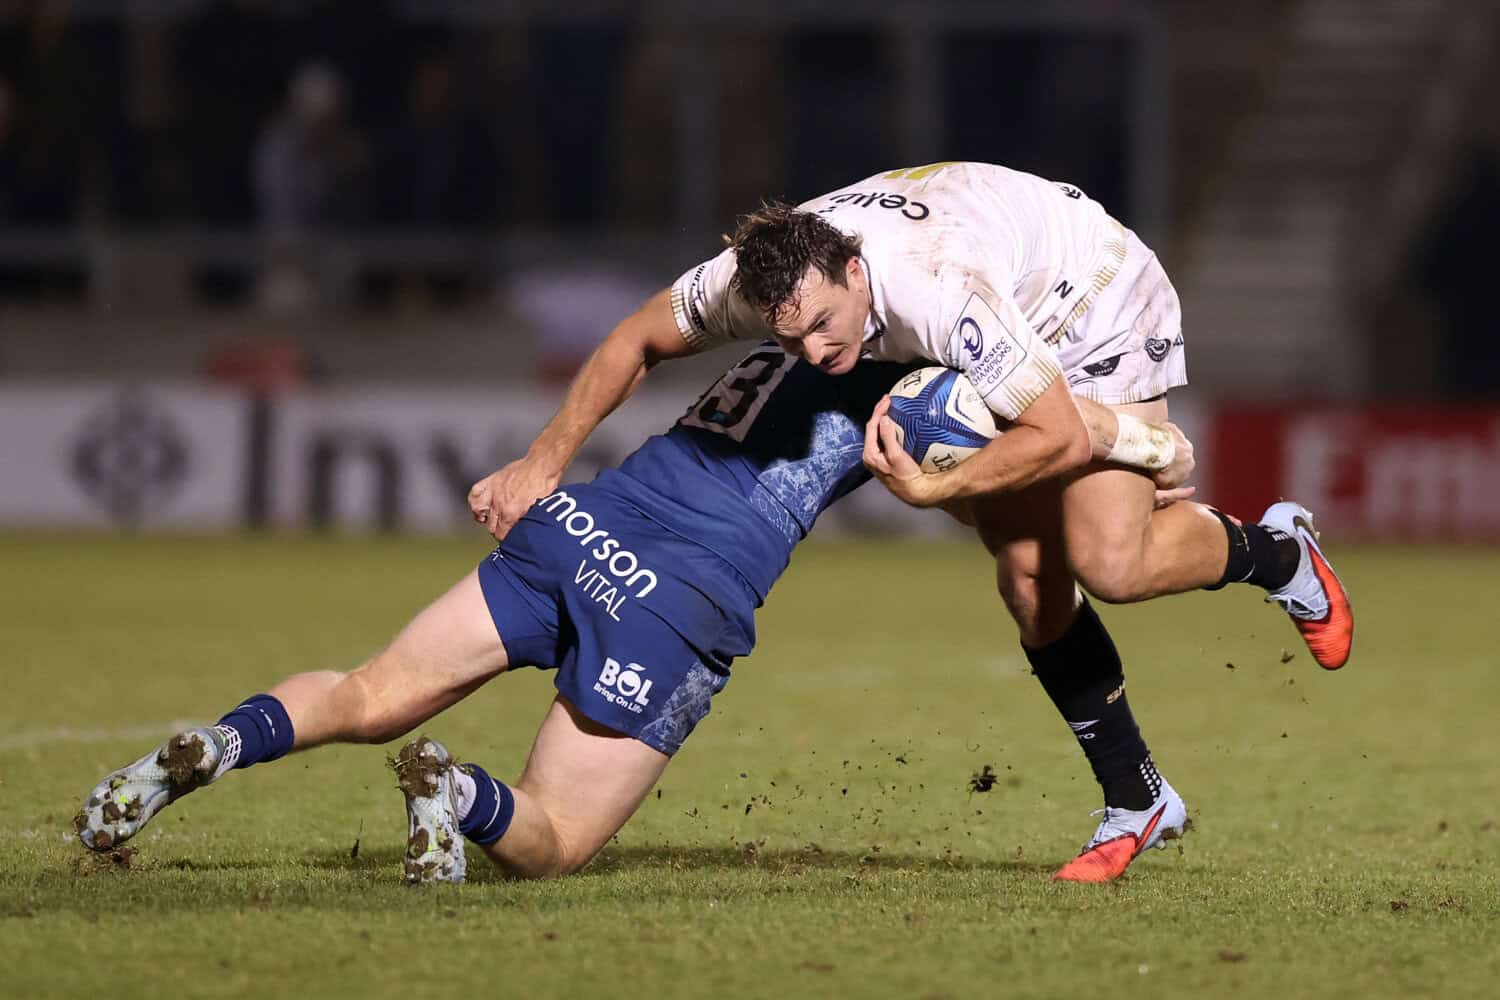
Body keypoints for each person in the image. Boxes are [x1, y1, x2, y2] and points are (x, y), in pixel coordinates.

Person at [467, 161, 1353, 882]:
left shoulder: (938, 294)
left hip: (1091, 300)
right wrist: (543, 462)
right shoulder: (768, 280)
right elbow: (637, 339)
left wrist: (936, 493)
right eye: (791, 340)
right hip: (996, 290)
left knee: (1111, 563)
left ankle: (1277, 551)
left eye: (824, 325)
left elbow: (1051, 434)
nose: (814, 353)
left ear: (855, 273)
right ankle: (1139, 799)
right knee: (1029, 583)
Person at [76, 345, 1187, 884]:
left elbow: (649, 337)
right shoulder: (913, 362)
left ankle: (212, 745)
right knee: (554, 841)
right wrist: (1147, 457)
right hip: (680, 596)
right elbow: (998, 462)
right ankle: (457, 793)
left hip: (585, 521)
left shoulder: (785, 329)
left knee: (368, 691)